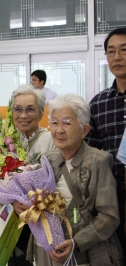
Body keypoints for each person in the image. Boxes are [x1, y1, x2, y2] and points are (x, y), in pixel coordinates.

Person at [26, 94, 123, 265]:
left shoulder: (98, 160)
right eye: (54, 123)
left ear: (84, 130)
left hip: (86, 255)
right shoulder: (48, 159)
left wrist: (76, 242)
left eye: (67, 123)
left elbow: (109, 216)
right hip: (47, 251)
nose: (59, 130)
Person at [85, 27, 126, 255]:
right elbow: (89, 150)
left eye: (124, 50)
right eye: (111, 52)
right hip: (113, 194)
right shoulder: (99, 103)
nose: (117, 57)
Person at [10, 85, 56, 266]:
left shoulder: (51, 140)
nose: (23, 115)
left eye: (30, 109)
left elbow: (57, 180)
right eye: (18, 109)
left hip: (43, 219)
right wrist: (12, 200)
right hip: (14, 219)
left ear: (41, 113)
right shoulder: (6, 140)